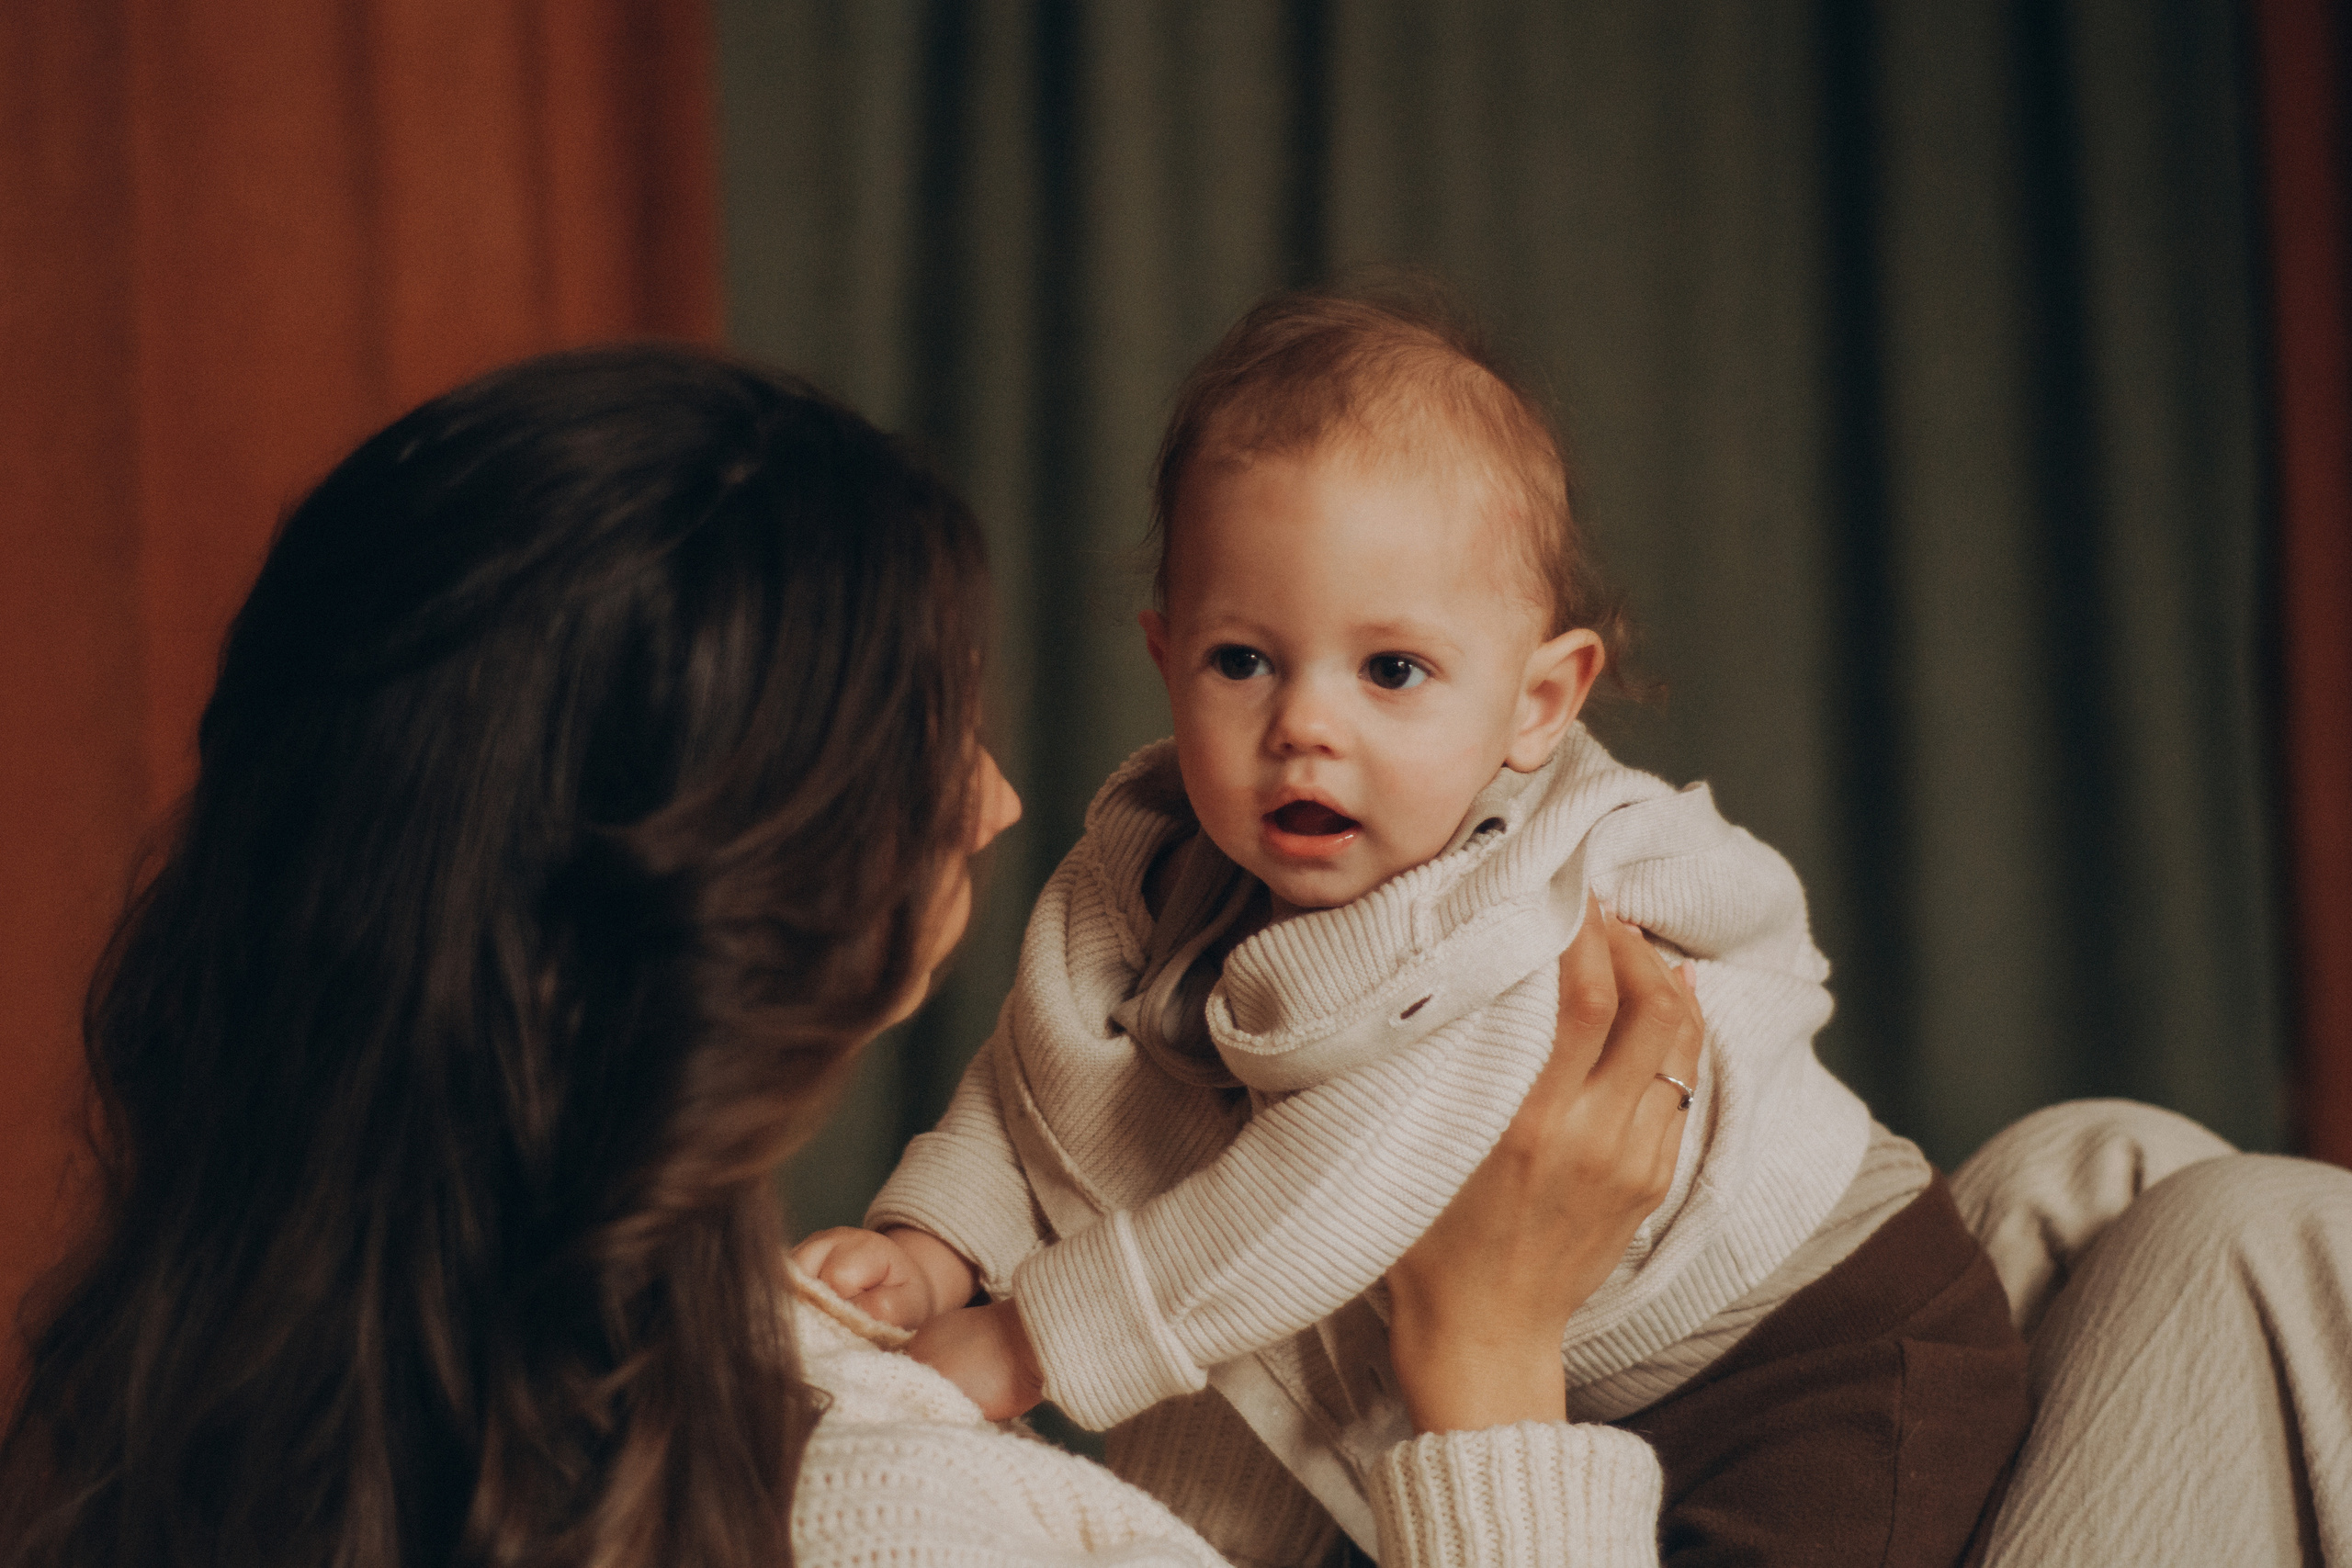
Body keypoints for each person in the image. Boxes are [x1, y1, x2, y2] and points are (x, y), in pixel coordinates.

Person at [0, 343, 1712, 1568]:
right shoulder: (905, 1513)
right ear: (749, 898)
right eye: (928, 739)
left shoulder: (159, 1417)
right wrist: (1490, 1374)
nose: (995, 798)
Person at [797, 285, 2027, 1566]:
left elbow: (1320, 1189)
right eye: (1243, 661)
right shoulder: (1157, 879)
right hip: (1588, 1378)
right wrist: (935, 1245)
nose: (1305, 728)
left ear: (1538, 702)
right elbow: (1047, 1085)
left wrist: (1026, 1340)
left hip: (1829, 1344)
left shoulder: (1514, 924)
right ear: (1165, 660)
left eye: (1392, 671)